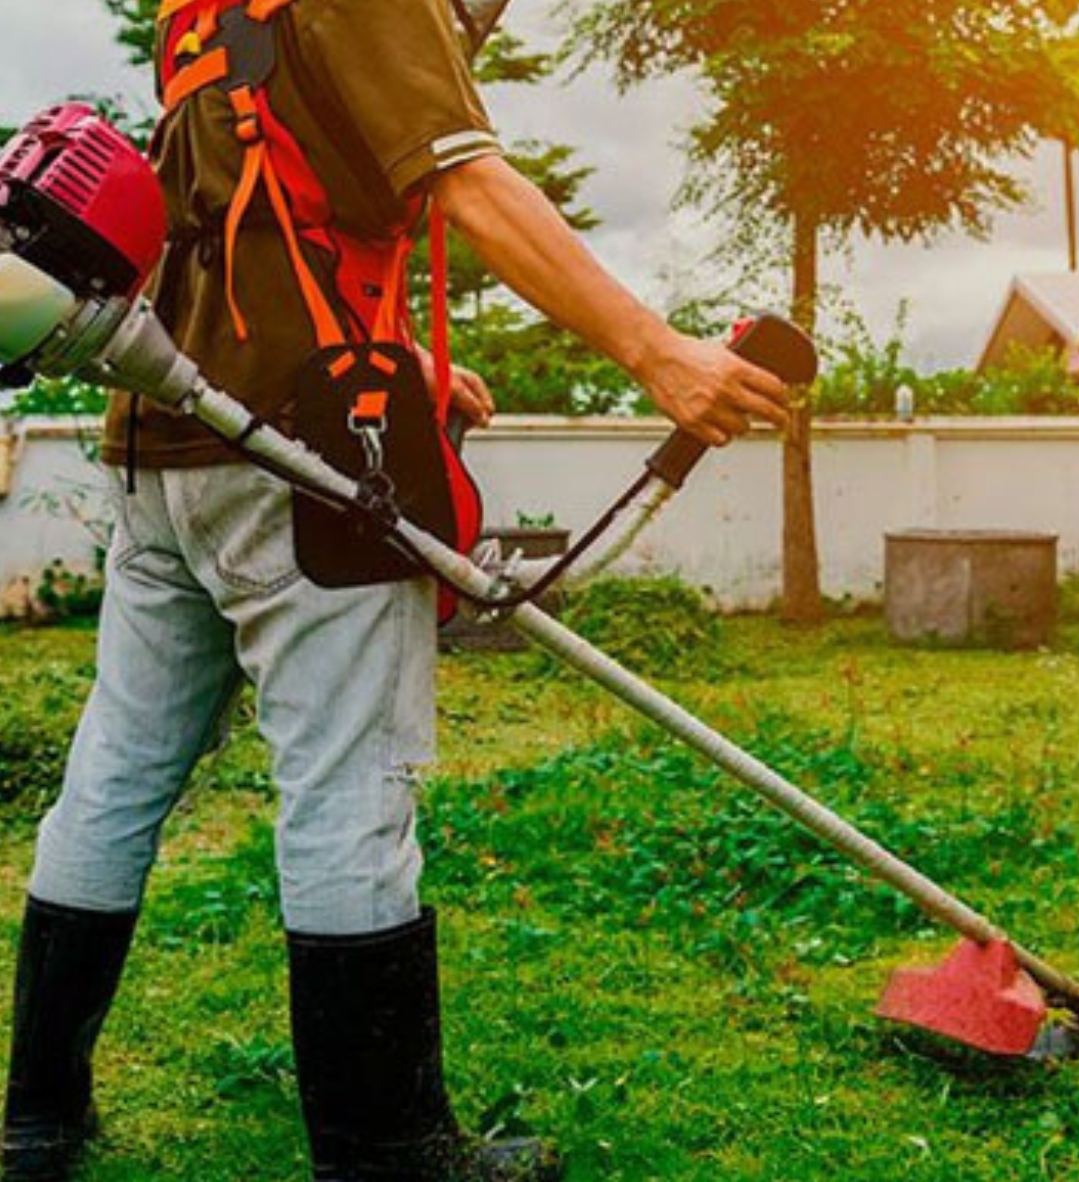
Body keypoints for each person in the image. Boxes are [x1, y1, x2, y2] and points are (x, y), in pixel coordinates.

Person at [0, 0, 790, 1178]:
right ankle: (387, 1150)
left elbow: (234, 231)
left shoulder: (205, 15)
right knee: (350, 790)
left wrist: (411, 359)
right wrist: (658, 352)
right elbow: (469, 184)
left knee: (112, 780)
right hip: (301, 460)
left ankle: (37, 1119)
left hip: (158, 440)